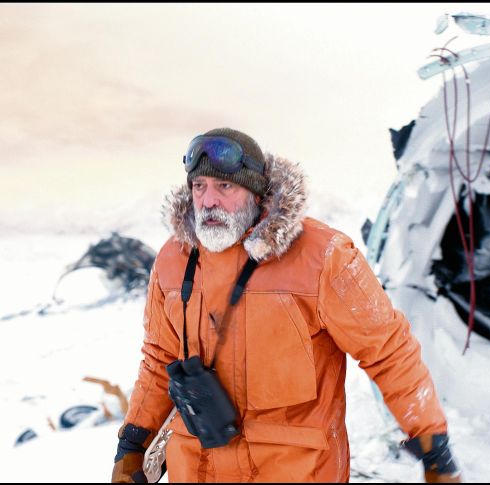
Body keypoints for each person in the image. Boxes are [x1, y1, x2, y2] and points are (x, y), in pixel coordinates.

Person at [111, 128, 462, 483]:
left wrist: (433, 446)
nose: (208, 200)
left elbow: (388, 351)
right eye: (199, 186)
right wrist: (131, 446)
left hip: (293, 472)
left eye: (224, 186)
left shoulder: (323, 257)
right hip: (194, 469)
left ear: (255, 190)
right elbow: (159, 359)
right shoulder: (174, 260)